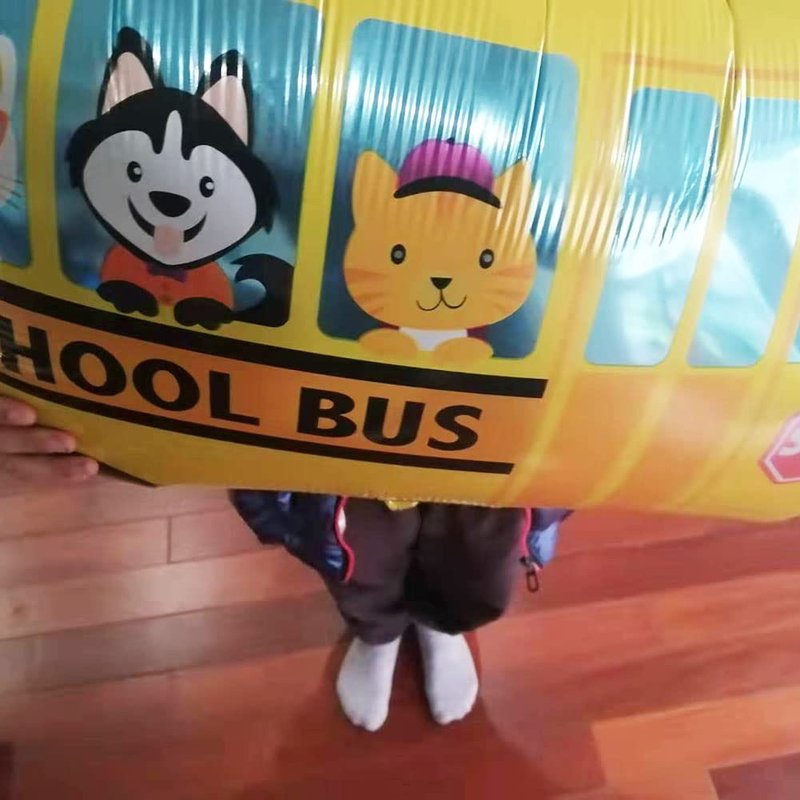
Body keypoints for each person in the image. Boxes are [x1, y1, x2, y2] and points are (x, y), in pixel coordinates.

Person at [0, 394, 566, 732]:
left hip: (512, 418)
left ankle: (440, 623)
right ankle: (379, 632)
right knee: (356, 549)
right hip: (338, 411)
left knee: (478, 556)